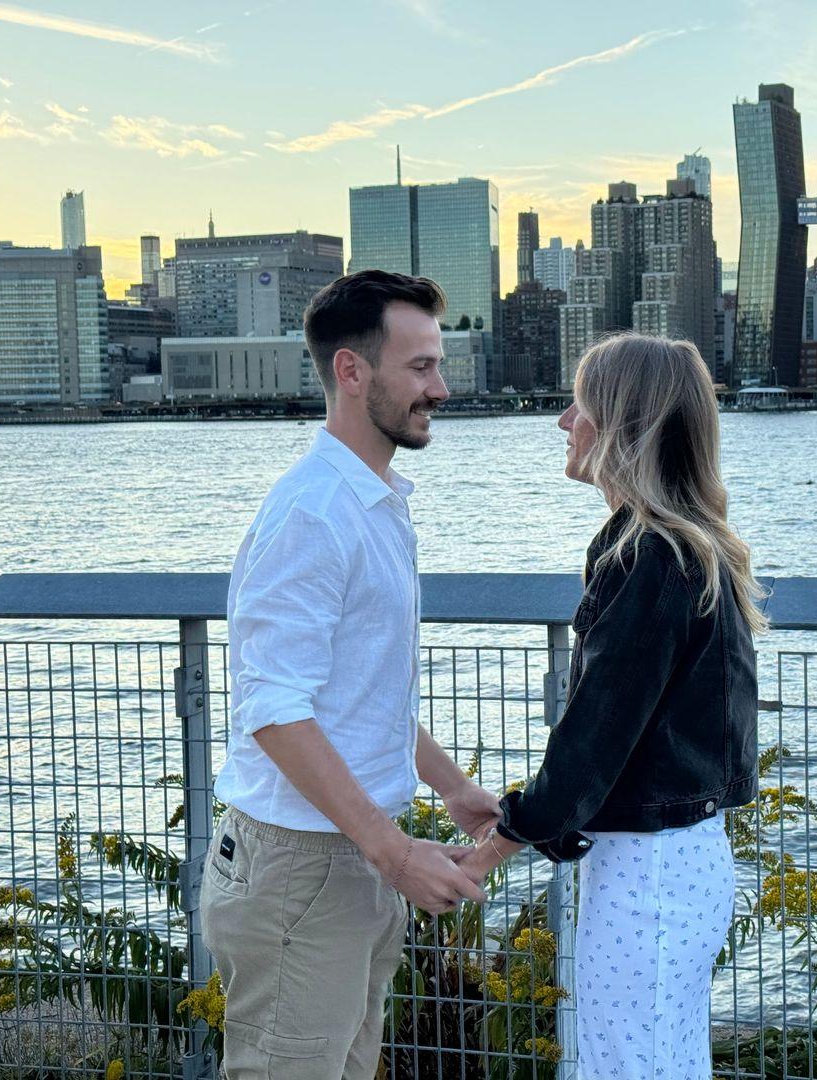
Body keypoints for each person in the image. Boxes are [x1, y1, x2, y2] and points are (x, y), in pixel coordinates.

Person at [201, 270, 500, 1079]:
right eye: (421, 368)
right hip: (303, 864)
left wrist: (450, 787)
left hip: (353, 856)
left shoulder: (374, 501)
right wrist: (393, 852)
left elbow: (362, 700)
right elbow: (273, 708)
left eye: (439, 365)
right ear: (352, 371)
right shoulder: (313, 514)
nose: (440, 388)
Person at [458, 332, 765, 1078]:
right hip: (679, 861)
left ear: (623, 423)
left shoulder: (649, 559)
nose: (564, 421)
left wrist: (498, 843)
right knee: (660, 1059)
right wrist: (531, 821)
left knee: (627, 1065)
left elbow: (596, 737)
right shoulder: (684, 549)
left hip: (648, 877)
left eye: (580, 404)